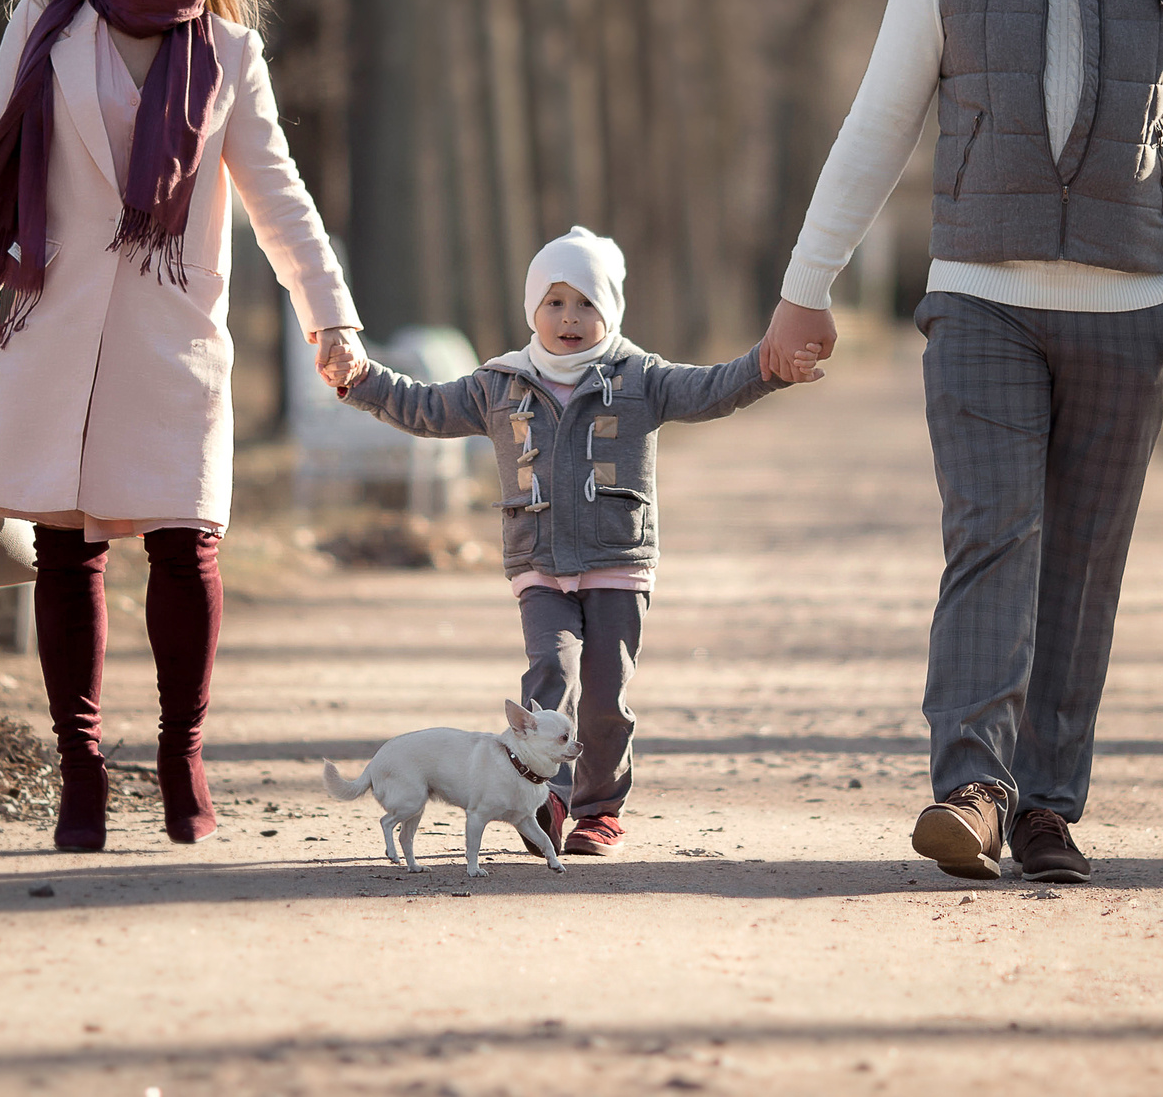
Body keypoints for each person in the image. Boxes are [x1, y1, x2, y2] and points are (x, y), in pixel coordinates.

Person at [759, 0, 1163, 884]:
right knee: (993, 533)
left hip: (1134, 314)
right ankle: (973, 788)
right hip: (982, 296)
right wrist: (808, 284)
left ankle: (1047, 809)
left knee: (1082, 563)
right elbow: (877, 125)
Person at [0, 0, 368, 852]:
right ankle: (78, 768)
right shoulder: (40, 30)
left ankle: (181, 754)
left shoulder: (229, 53)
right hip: (55, 321)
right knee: (65, 550)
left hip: (174, 333)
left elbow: (281, 200)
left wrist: (330, 315)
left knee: (186, 545)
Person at [335, 227, 818, 858]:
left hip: (618, 564)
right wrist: (361, 380)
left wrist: (768, 365)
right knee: (549, 674)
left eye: (586, 303)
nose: (570, 318)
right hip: (538, 563)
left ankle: (599, 810)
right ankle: (545, 797)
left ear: (609, 311)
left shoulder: (640, 377)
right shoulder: (498, 384)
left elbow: (712, 389)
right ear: (533, 310)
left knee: (605, 694)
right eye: (555, 302)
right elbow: (423, 406)